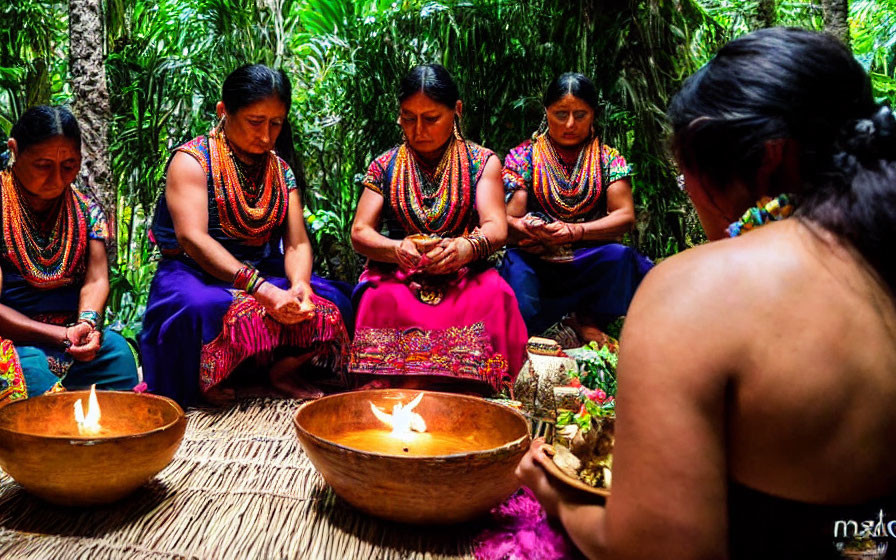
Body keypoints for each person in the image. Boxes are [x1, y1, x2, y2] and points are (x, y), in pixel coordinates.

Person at [517, 28, 896, 559]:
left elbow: (656, 549)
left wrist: (559, 498)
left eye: (684, 172)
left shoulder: (691, 294)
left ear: (768, 158)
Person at [140, 64, 351, 407]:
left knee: (334, 302)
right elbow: (193, 238)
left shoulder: (280, 171)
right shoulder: (191, 161)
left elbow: (296, 242)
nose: (267, 136)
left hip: (263, 272)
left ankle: (281, 370)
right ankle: (211, 380)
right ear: (224, 111)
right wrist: (261, 289)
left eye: (276, 123)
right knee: (201, 308)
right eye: (256, 122)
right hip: (194, 274)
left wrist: (300, 284)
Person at [349, 64, 527, 393]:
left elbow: (496, 226)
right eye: (408, 117)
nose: (418, 129)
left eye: (431, 118)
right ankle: (387, 387)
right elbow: (360, 231)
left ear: (456, 111)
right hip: (400, 273)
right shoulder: (384, 165)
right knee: (379, 297)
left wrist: (467, 248)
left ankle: (478, 389)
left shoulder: (482, 161)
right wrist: (394, 249)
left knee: (495, 294)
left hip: (463, 272)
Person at [0, 106, 138, 400]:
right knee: (31, 374)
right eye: (43, 165)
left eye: (69, 165)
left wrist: (86, 326)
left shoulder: (86, 210)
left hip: (68, 334)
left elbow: (96, 279)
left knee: (118, 358)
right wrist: (60, 336)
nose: (57, 179)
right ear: (14, 150)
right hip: (10, 339)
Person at [500, 73, 652, 340]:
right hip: (537, 257)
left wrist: (574, 232)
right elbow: (508, 218)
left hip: (586, 256)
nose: (570, 124)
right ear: (546, 112)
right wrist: (531, 231)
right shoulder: (523, 157)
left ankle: (588, 321)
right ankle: (535, 333)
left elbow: (624, 216)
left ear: (593, 114)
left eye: (580, 115)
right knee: (516, 269)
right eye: (561, 114)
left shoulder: (609, 159)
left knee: (619, 257)